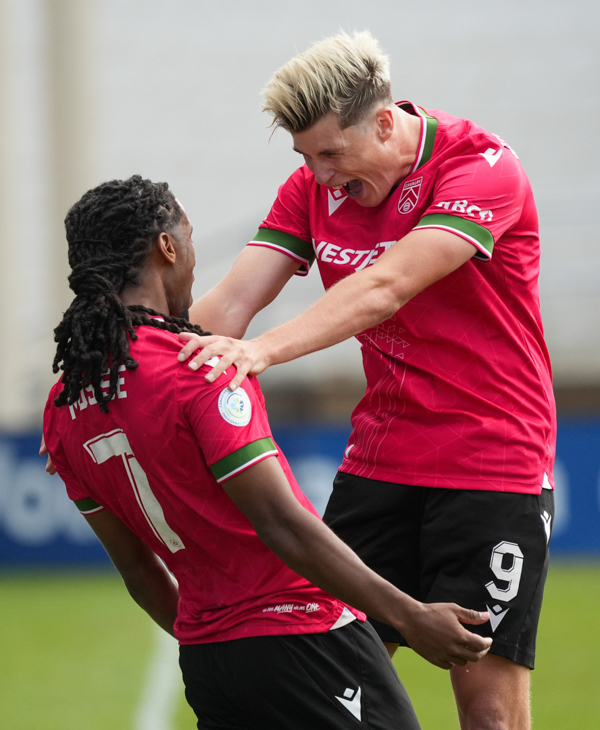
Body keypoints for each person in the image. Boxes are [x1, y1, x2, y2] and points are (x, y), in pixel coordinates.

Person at [176, 31, 556, 730]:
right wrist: (118, 376)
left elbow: (385, 286)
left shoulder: (482, 166)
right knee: (326, 682)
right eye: (305, 157)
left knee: (489, 712)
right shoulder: (313, 189)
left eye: (330, 153)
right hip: (379, 463)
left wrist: (259, 352)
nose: (321, 175)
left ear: (384, 123)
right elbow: (226, 306)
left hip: (492, 462)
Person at [42, 175, 492, 730]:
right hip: (305, 637)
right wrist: (411, 616)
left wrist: (212, 642)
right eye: (189, 240)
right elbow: (283, 523)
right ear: (166, 248)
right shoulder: (202, 366)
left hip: (208, 663)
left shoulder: (63, 407)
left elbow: (138, 570)